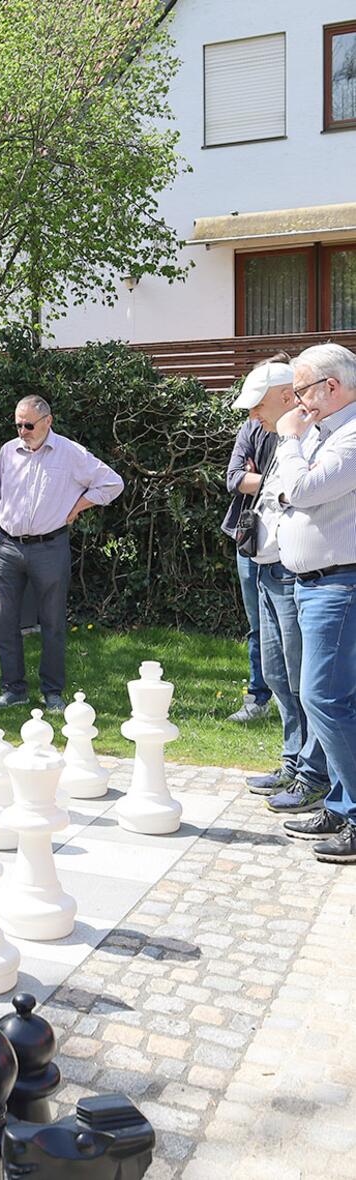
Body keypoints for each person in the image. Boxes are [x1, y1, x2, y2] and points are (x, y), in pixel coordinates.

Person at [226, 361, 330, 810]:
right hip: (266, 567)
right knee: (276, 674)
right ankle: (294, 760)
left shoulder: (309, 437)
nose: (252, 418)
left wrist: (266, 473)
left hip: (292, 571)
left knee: (303, 678)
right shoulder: (269, 433)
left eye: (256, 407)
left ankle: (313, 774)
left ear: (286, 397)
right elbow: (237, 480)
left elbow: (295, 491)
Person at [0, 396, 123, 713]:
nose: (23, 431)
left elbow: (113, 483)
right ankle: (13, 690)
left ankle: (53, 693)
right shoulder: (7, 452)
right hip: (6, 547)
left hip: (49, 547)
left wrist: (78, 506)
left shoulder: (70, 453)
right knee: (5, 623)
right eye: (18, 424)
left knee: (53, 623)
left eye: (29, 425)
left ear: (47, 422)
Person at [272, 342, 356, 863]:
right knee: (324, 698)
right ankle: (339, 801)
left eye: (300, 390)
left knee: (324, 699)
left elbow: (299, 491)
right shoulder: (327, 433)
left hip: (338, 587)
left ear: (330, 386)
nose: (295, 402)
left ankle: (354, 811)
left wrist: (288, 443)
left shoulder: (350, 438)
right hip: (311, 582)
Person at [222, 367, 280, 723]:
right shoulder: (251, 428)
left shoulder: (300, 430)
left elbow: (300, 482)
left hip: (286, 541)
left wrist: (259, 477)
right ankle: (258, 697)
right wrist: (275, 480)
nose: (255, 413)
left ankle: (294, 700)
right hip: (250, 536)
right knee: (257, 624)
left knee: (287, 625)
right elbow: (233, 479)